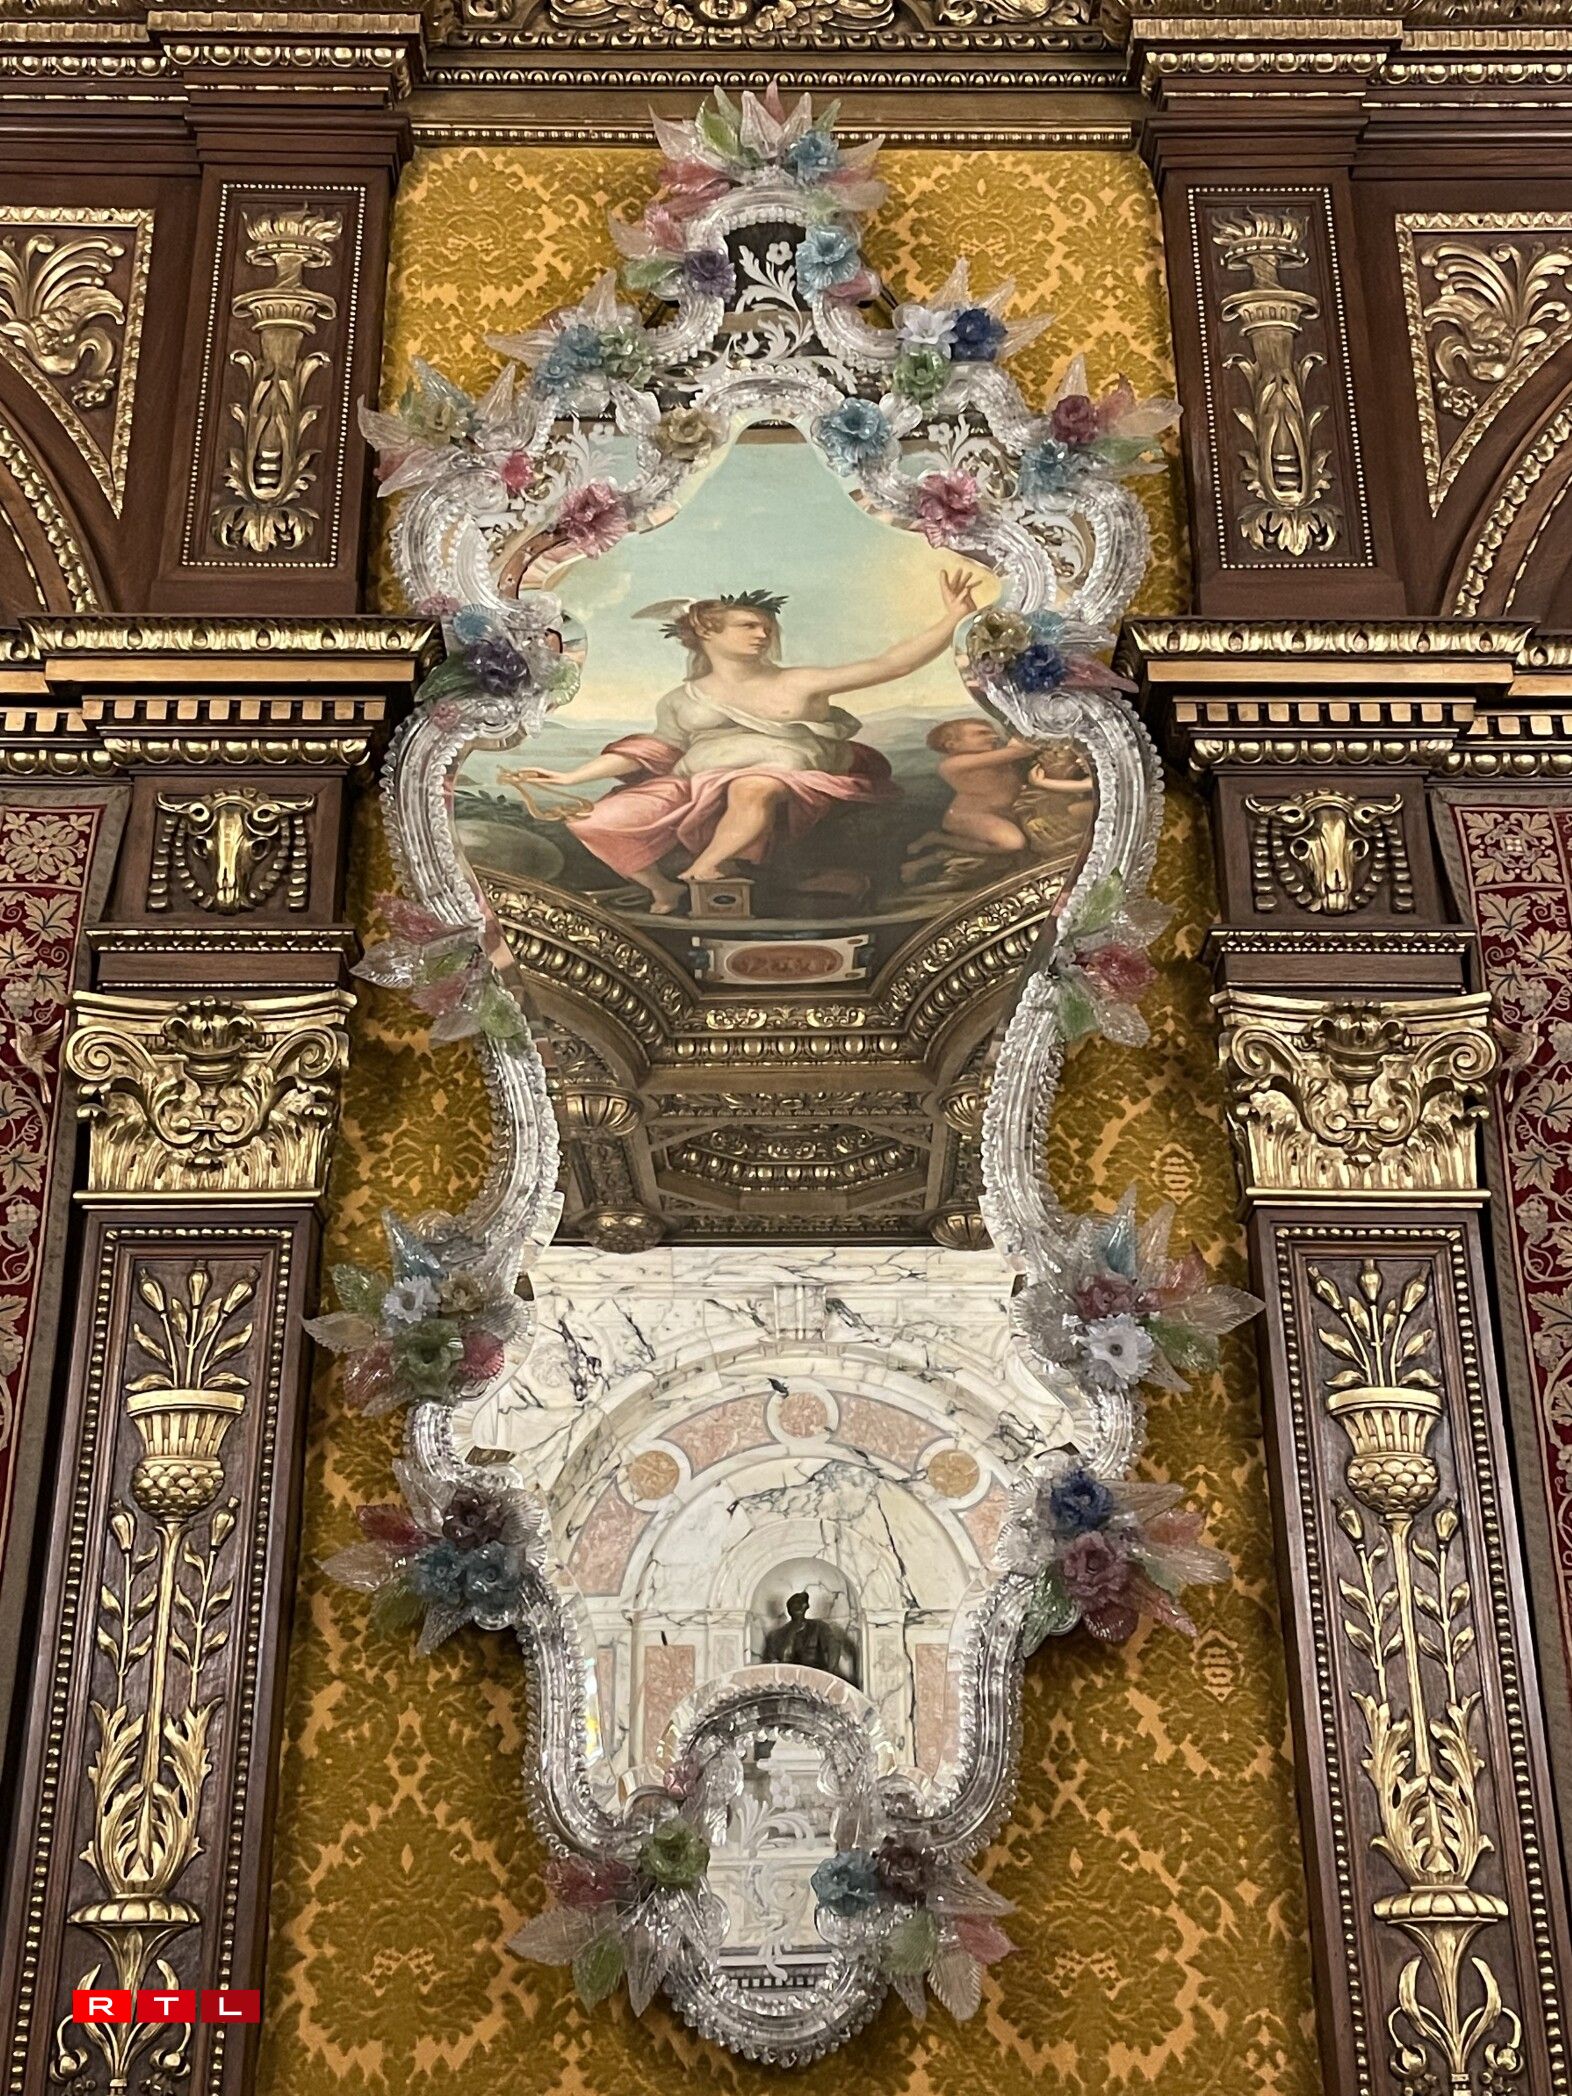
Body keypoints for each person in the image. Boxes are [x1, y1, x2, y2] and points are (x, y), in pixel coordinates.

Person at [501, 575, 979, 914]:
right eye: (748, 625)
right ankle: (664, 890)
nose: (763, 633)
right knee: (593, 819)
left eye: (765, 626)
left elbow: (892, 665)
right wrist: (571, 777)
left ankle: (705, 869)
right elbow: (654, 750)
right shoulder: (682, 699)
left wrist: (954, 618)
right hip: (694, 782)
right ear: (706, 630)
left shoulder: (799, 683)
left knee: (752, 787)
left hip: (786, 779)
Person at [762, 1590, 856, 1682]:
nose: (796, 1606)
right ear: (788, 1608)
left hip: (816, 1678)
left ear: (806, 1606)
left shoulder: (819, 1627)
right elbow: (771, 1661)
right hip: (787, 1679)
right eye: (792, 1603)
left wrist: (830, 1673)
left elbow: (833, 1646)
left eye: (799, 1602)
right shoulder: (778, 1634)